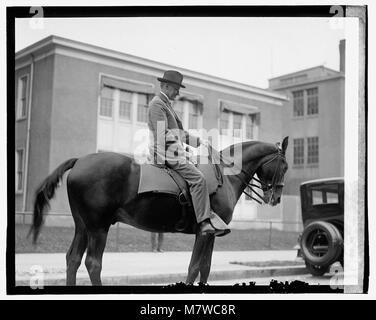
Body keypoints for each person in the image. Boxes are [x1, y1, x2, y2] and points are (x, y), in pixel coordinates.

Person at [147, 70, 219, 235]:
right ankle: (203, 223)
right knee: (199, 179)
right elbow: (162, 134)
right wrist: (182, 153)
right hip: (165, 154)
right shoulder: (157, 104)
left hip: (171, 151)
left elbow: (180, 133)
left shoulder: (166, 105)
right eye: (175, 88)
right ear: (164, 86)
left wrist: (200, 142)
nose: (178, 92)